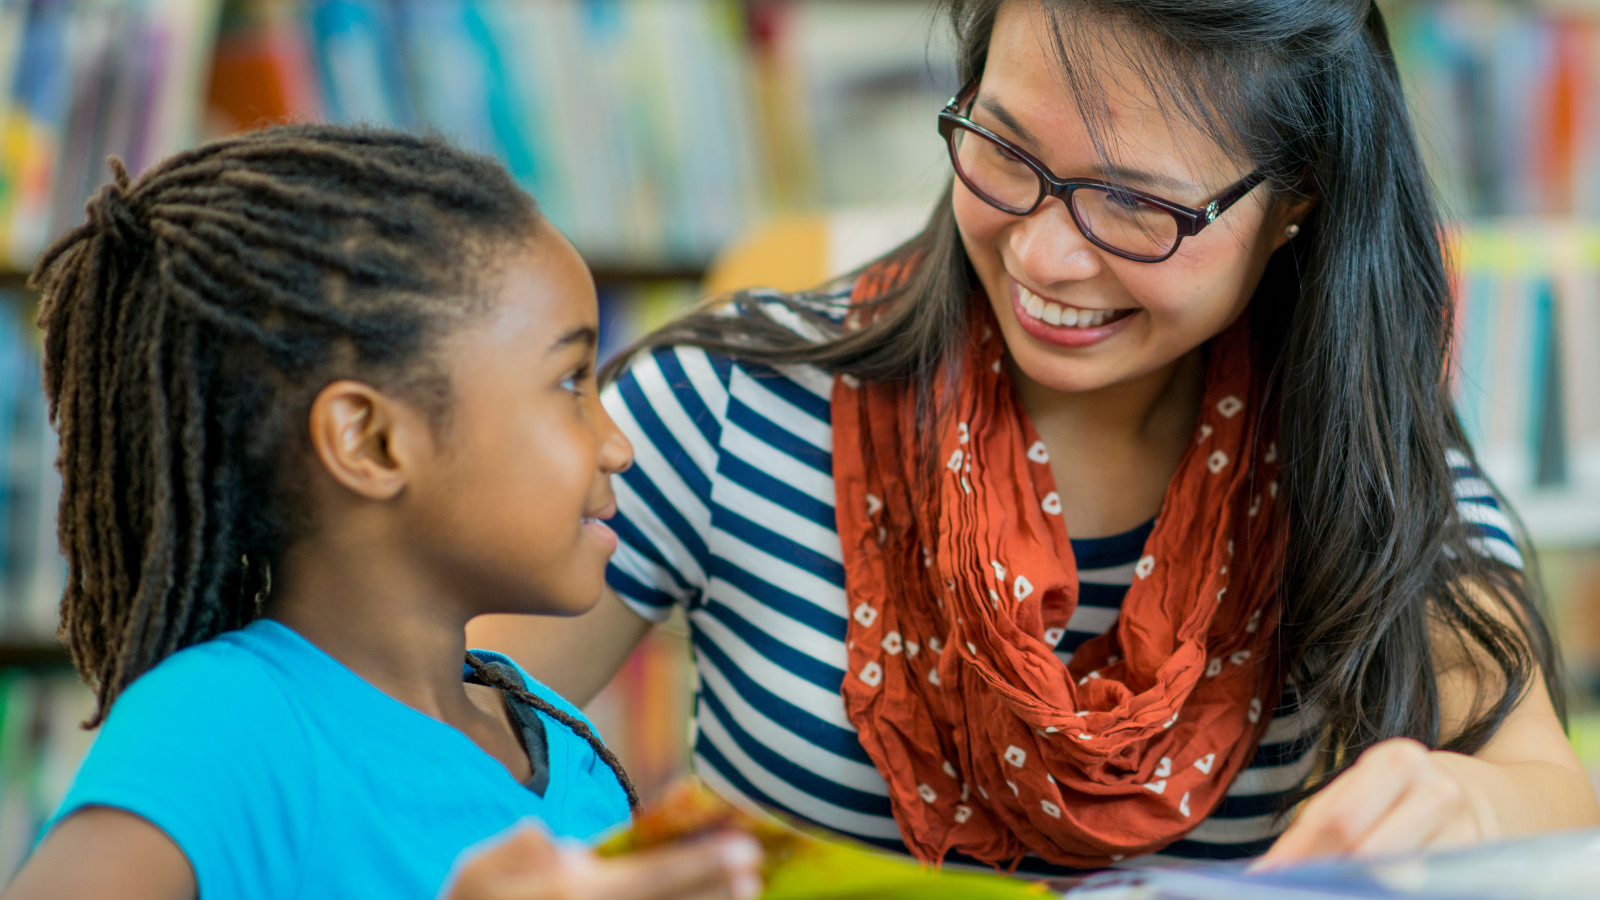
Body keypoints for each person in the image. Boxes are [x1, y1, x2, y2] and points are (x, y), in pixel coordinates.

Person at [468, 0, 1600, 877]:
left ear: (1296, 199)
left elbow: (1546, 792)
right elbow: (398, 740)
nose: (1045, 257)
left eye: (1135, 205)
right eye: (1005, 150)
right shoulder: (724, 405)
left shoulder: (1364, 466)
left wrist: (1466, 806)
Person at [3, 126, 762, 900]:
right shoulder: (221, 726)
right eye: (571, 382)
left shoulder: (564, 742)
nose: (618, 446)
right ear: (371, 441)